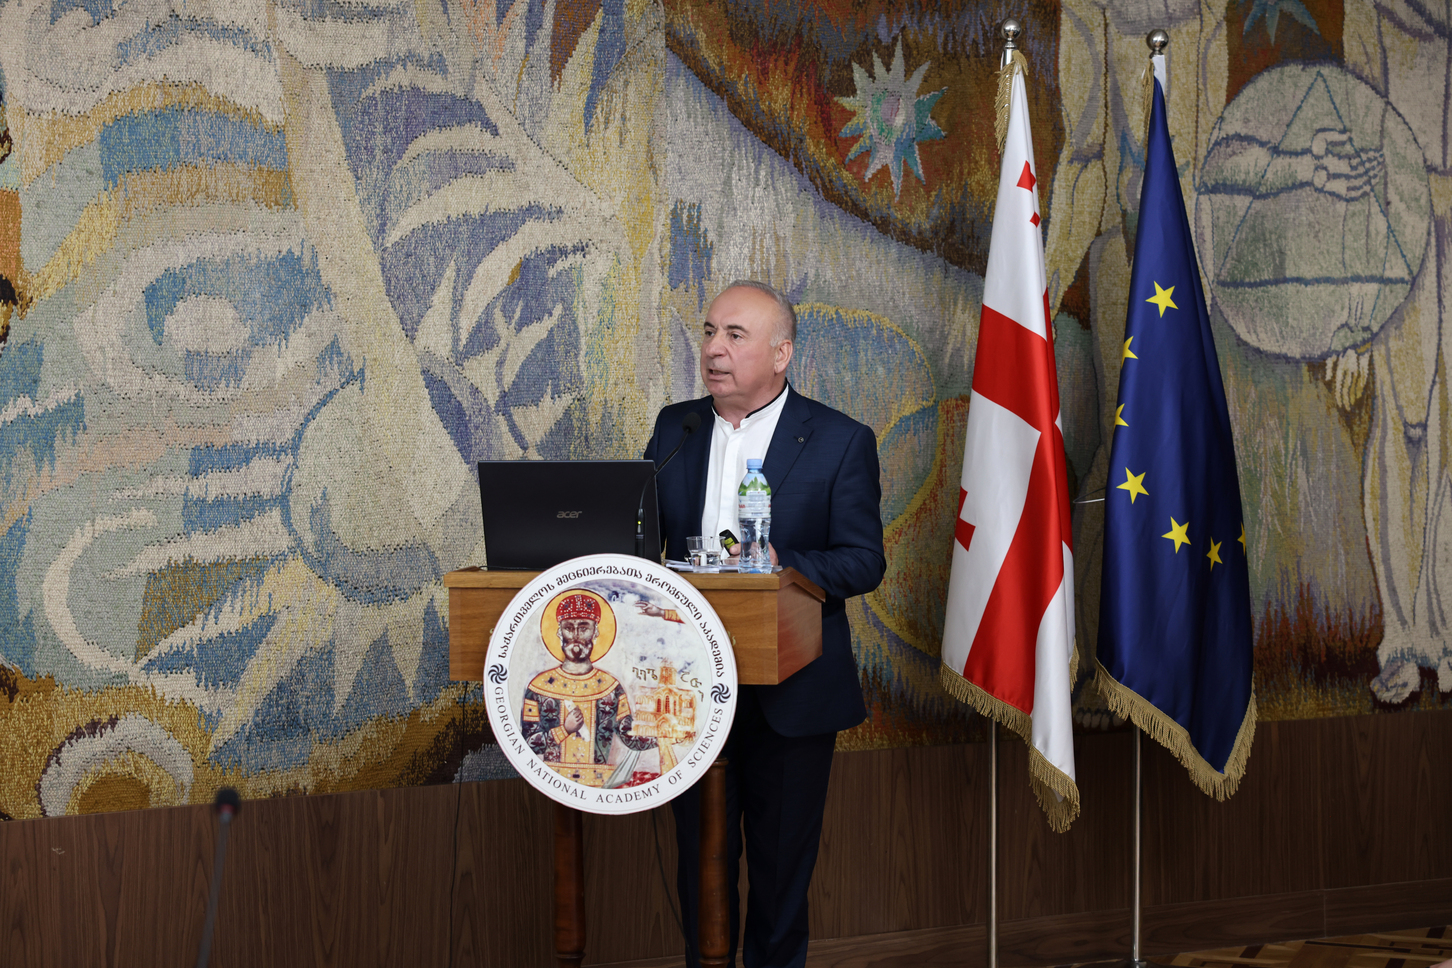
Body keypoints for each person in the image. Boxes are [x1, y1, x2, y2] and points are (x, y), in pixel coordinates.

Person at [643, 280, 886, 968]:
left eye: (734, 335)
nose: (713, 350)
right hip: (688, 686)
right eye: (709, 332)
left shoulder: (839, 440)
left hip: (793, 686)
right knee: (701, 862)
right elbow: (640, 539)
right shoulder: (676, 428)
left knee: (781, 875)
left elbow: (864, 561)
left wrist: (785, 562)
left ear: (781, 354)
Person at [520, 591, 656, 788]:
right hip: (552, 782)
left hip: (602, 784)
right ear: (559, 632)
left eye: (583, 628)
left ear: (596, 632)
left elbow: (629, 736)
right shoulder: (539, 687)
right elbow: (529, 743)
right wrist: (564, 730)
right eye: (568, 628)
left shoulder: (610, 687)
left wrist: (667, 735)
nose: (576, 636)